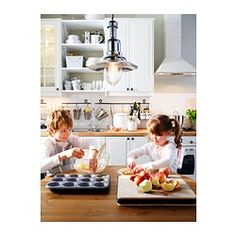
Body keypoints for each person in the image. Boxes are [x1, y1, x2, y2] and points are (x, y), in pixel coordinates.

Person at [41, 109, 98, 178]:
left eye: (69, 129)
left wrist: (93, 155)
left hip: (71, 177)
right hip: (53, 179)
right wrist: (64, 154)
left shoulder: (70, 138)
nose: (68, 134)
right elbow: (41, 166)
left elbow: (92, 141)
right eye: (63, 130)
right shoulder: (47, 143)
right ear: (52, 130)